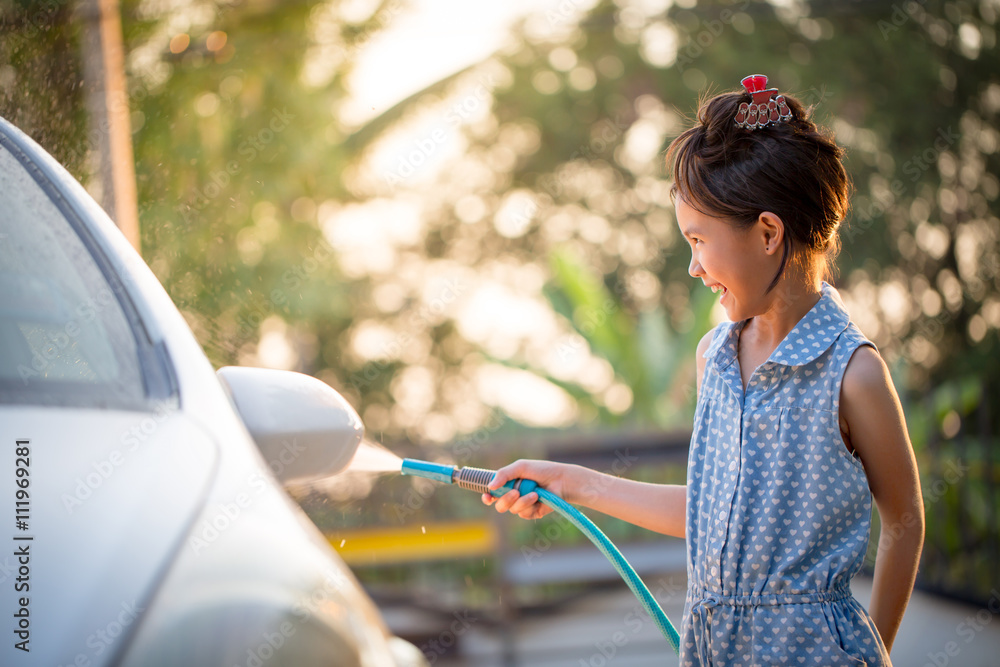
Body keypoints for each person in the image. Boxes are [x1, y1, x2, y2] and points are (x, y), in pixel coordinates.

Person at [482, 75, 924, 666]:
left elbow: (906, 517)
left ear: (769, 232)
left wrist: (875, 651)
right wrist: (570, 482)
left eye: (698, 240)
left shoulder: (851, 372)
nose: (692, 267)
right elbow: (710, 513)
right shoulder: (713, 357)